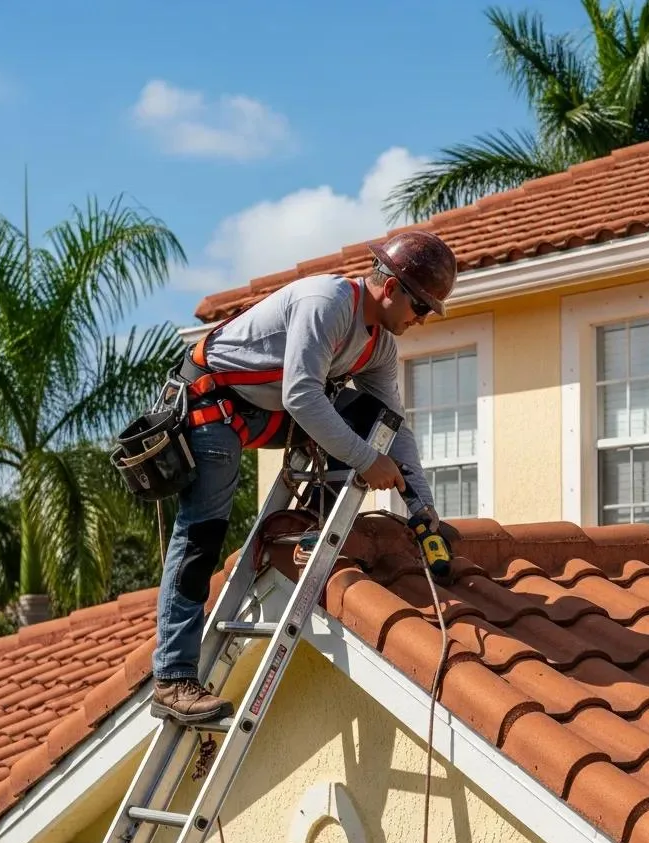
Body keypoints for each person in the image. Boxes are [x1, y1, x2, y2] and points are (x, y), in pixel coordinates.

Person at [150, 229, 458, 724]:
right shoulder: (328, 303)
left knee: (370, 418)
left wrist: (421, 504)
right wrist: (363, 460)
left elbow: (392, 429)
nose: (420, 319)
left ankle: (310, 531)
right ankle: (173, 678)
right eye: (420, 306)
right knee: (201, 538)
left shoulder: (379, 346)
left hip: (266, 412)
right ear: (392, 287)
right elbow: (302, 396)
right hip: (213, 407)